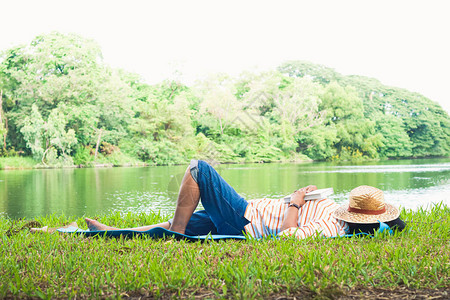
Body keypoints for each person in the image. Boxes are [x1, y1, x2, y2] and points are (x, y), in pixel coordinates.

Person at [85, 160, 405, 239]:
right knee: (173, 221)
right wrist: (308, 195)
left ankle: (177, 235)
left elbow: (289, 235)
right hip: (250, 211)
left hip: (244, 219)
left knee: (199, 170)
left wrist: (295, 201)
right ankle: (110, 231)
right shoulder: (337, 214)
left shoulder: (334, 228)